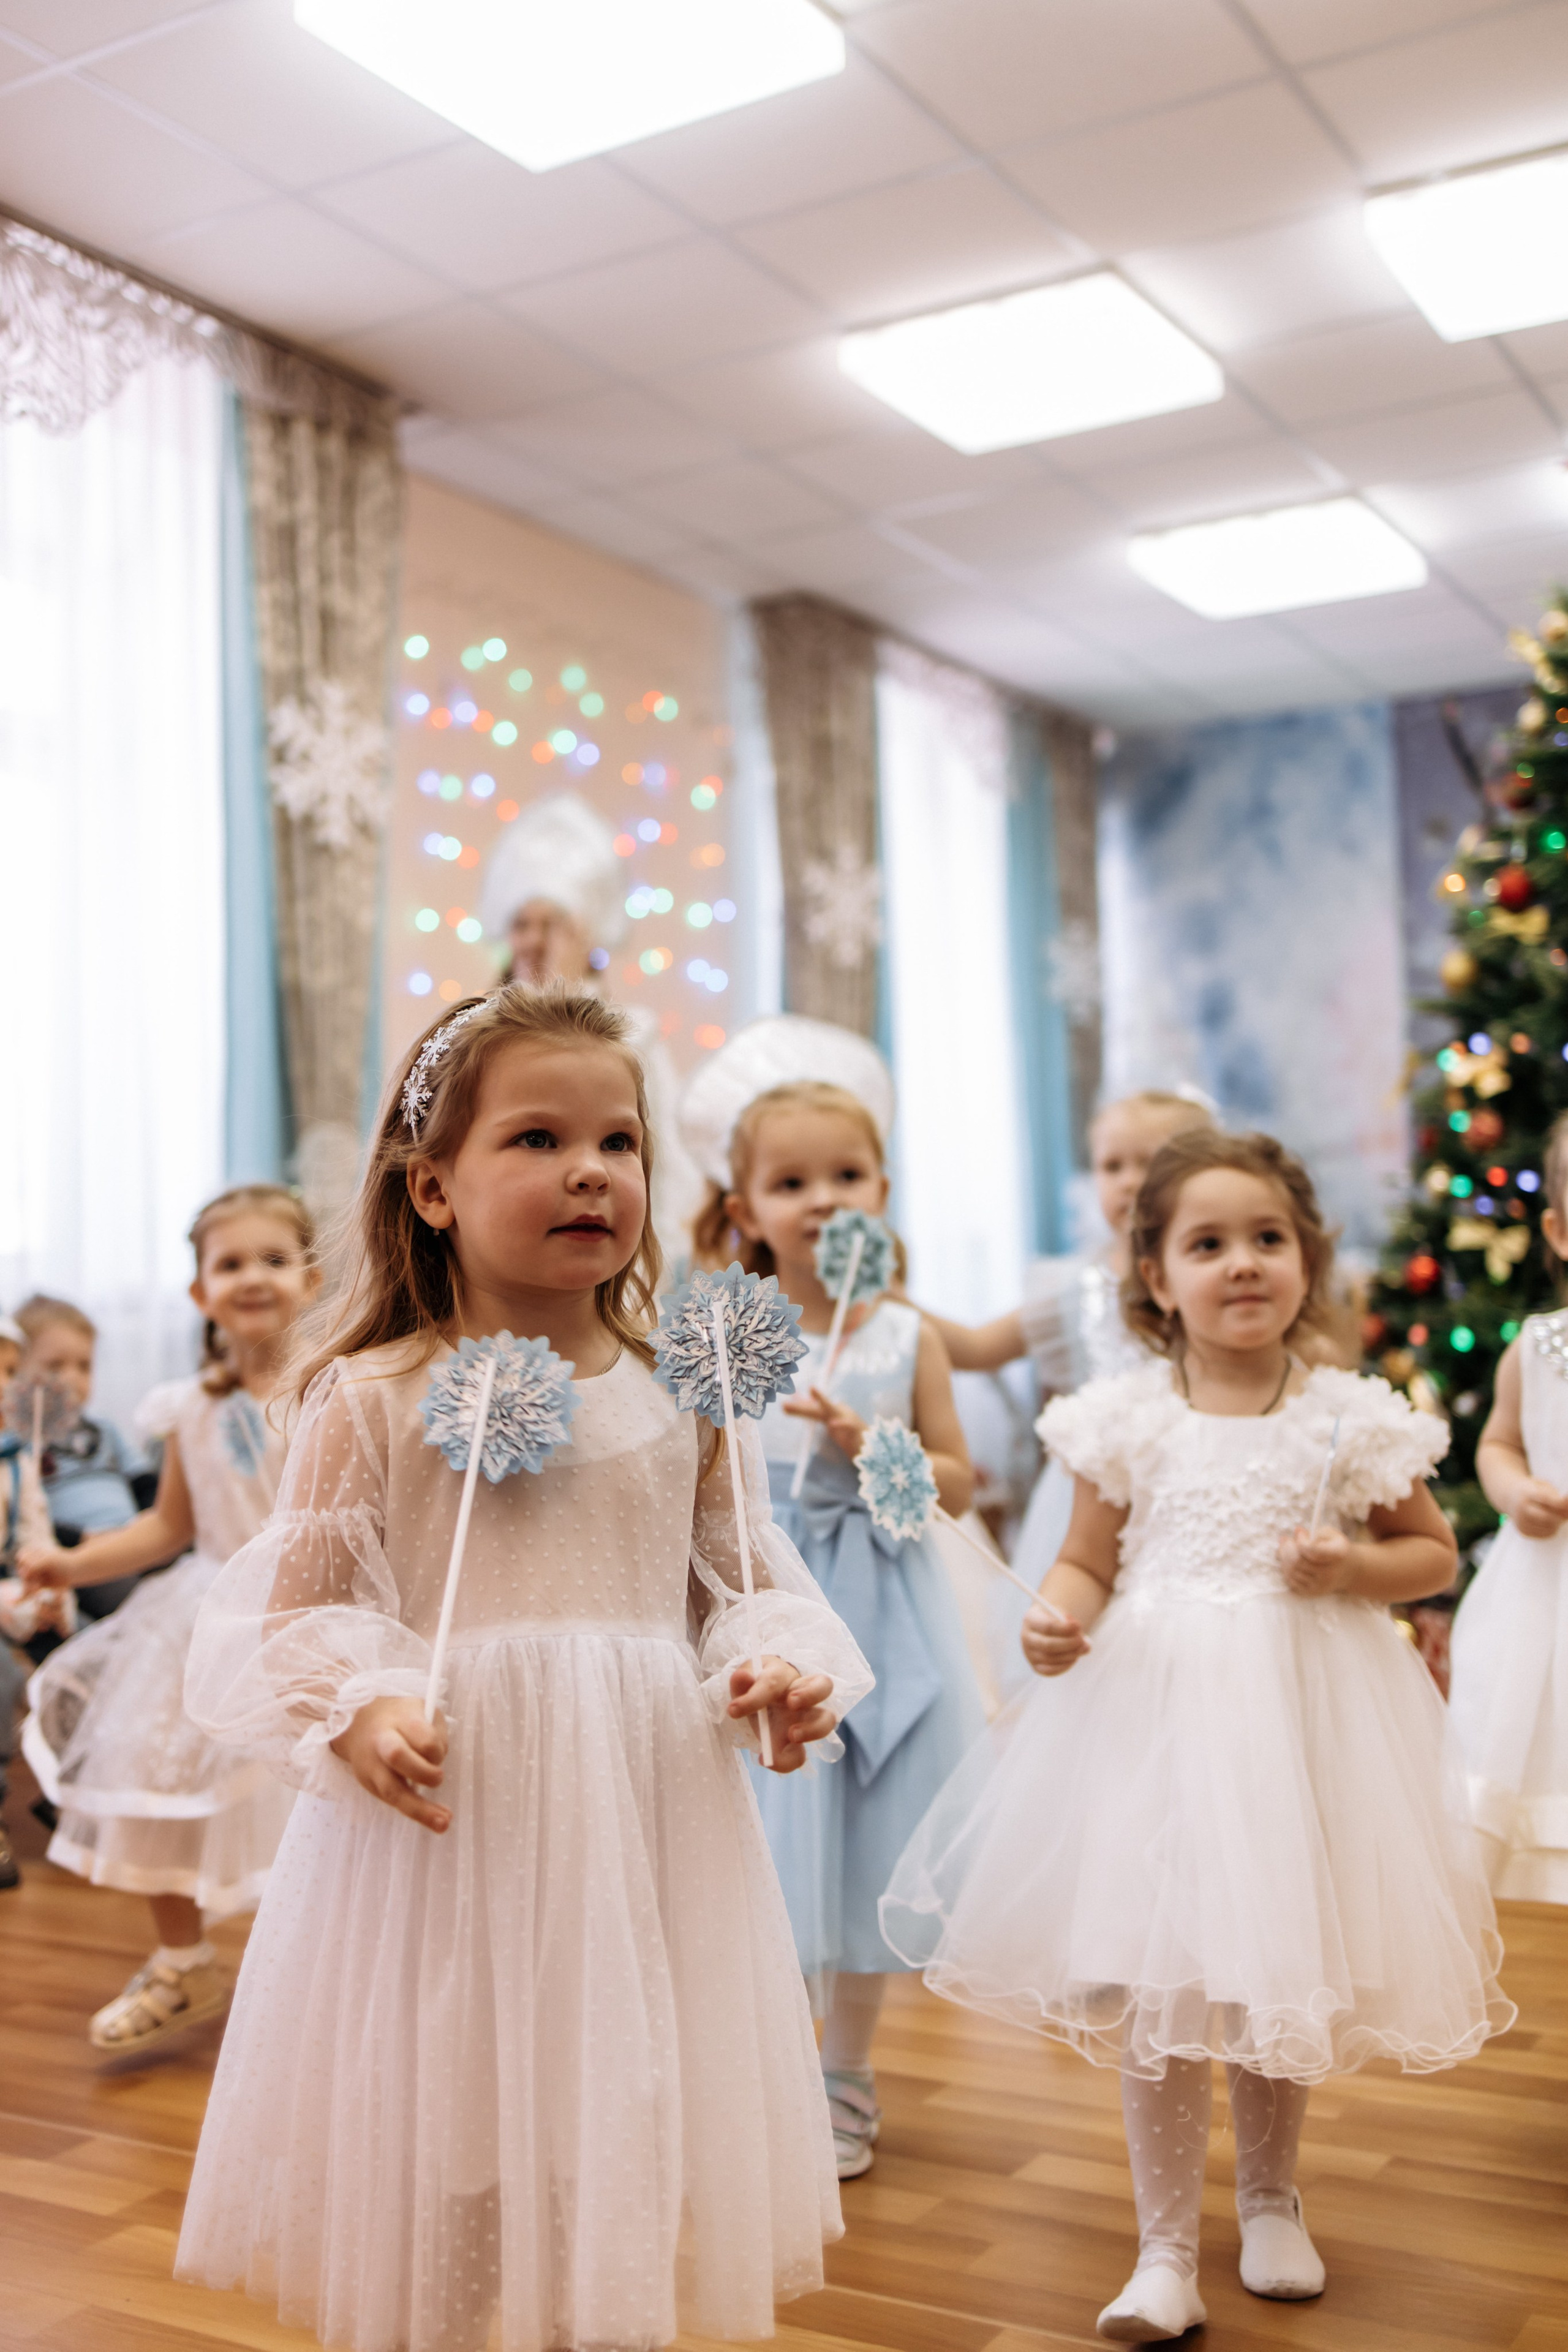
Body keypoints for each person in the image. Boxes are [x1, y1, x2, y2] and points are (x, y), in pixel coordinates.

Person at [173, 986, 872, 2352]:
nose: (589, 1172)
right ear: (431, 1187)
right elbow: (299, 1619)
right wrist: (362, 1706)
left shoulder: (685, 1395)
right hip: (455, 1837)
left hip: (635, 1821)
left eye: (618, 1144)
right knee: (454, 2131)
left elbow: (736, 1584)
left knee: (604, 2123)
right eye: (538, 1139)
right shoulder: (369, 1397)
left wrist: (772, 1671)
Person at [881, 1128, 1511, 2343]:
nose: (1240, 1265)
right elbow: (1080, 1562)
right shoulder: (1122, 1421)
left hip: (1297, 1724)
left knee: (1272, 1958)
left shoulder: (1347, 1421)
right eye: (1206, 1244)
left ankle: (1270, 2200)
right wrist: (1055, 1626)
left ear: (1305, 1261)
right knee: (1164, 1976)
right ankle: (1162, 2248)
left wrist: (1349, 1567)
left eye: (1266, 1239)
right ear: (1153, 1278)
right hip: (1156, 1728)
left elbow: (1430, 1554)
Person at [682, 1017, 985, 2181]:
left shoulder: (906, 1334)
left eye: (845, 1176)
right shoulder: (720, 1333)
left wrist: (883, 1448)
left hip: (884, 1609)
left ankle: (846, 2067)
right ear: (743, 1207)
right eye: (790, 1181)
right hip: (764, 1598)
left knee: (867, 1840)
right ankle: (754, 2058)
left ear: (884, 1189)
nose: (820, 1200)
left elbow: (956, 1480)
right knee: (757, 1841)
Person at [19, 1184, 316, 2055]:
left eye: (274, 1258)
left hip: (313, 1609)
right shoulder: (189, 1407)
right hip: (211, 1612)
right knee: (160, 1774)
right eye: (230, 1264)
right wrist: (70, 1562)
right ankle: (183, 1960)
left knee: (310, 1801)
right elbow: (170, 1527)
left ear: (314, 1274)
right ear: (199, 1293)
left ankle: (313, 1976)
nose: (252, 1277)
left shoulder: (338, 1386)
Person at [921, 1091, 1215, 1699]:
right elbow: (977, 1347)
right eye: (1113, 1166)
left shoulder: (1211, 1281)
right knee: (1094, 1670)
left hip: (1190, 1491)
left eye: (1153, 1162)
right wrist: (885, 1304)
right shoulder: (1069, 1286)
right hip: (1087, 1502)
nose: (1131, 1182)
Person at [480, 789, 703, 1258]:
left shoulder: (635, 1037)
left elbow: (673, 1174)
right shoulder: (476, 1037)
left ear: (589, 935)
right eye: (522, 925)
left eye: (554, 925)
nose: (534, 943)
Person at [1450, 1107, 1568, 1901]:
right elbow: (1496, 1444)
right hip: (1545, 1596)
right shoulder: (1539, 1347)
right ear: (1561, 1233)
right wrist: (1514, 1490)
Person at [13, 1294, 155, 1618]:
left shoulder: (104, 1428)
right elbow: (24, 1519)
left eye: (84, 1366)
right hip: (79, 1555)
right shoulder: (20, 1444)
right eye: (55, 1366)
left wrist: (149, 1525)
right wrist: (81, 1538)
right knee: (124, 1596)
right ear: (17, 1372)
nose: (72, 1378)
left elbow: (145, 1483)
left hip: (137, 1541)